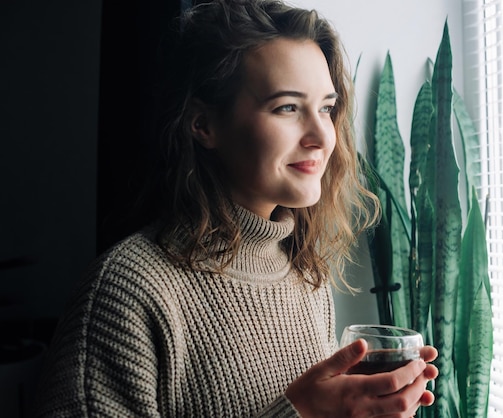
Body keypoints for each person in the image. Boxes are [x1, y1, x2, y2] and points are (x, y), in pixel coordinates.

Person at [34, 0, 438, 416]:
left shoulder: (305, 276)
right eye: (287, 107)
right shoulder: (128, 290)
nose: (323, 135)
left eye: (326, 108)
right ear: (204, 125)